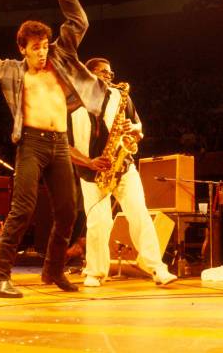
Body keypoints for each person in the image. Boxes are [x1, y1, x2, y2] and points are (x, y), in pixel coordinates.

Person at [0, 0, 106, 298]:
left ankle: (53, 270)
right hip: (31, 144)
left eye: (45, 45)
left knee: (69, 212)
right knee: (23, 209)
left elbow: (79, 22)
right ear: (23, 49)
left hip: (59, 146)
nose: (43, 52)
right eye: (36, 48)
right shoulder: (11, 71)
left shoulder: (60, 57)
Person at [68, 57, 177, 287]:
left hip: (123, 165)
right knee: (98, 222)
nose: (109, 76)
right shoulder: (72, 102)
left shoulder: (119, 97)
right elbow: (61, 145)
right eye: (103, 72)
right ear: (88, 75)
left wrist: (133, 129)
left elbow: (139, 127)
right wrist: (88, 162)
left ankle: (157, 268)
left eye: (110, 73)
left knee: (139, 215)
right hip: (90, 173)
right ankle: (95, 272)